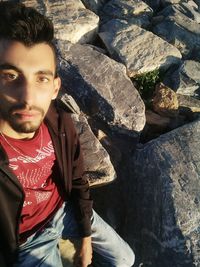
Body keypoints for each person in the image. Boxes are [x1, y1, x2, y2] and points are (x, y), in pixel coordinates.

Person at [0, 2, 135, 267]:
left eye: (41, 78)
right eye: (10, 75)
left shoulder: (60, 124)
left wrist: (85, 235)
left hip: (63, 209)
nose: (28, 98)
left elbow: (77, 177)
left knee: (125, 260)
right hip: (27, 238)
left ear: (55, 87)